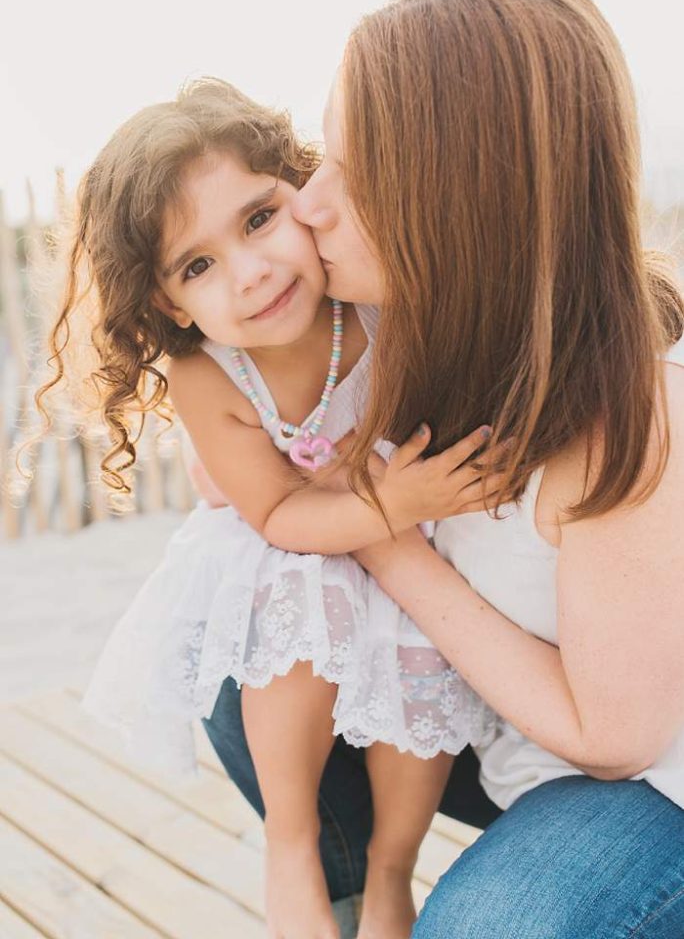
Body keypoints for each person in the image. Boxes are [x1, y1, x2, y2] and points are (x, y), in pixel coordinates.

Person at [203, 0, 684, 938]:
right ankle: (354, 898)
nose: (309, 205)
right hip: (522, 739)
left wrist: (391, 546)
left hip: (652, 774)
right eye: (319, 161)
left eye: (355, 173)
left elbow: (615, 737)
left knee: (487, 928)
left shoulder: (640, 409)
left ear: (462, 199)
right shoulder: (417, 328)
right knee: (251, 685)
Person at [36, 78, 506, 939]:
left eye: (259, 219)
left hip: (410, 565)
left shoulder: (375, 303)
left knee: (415, 683)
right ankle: (296, 851)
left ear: (305, 192)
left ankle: (391, 876)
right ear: (171, 304)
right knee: (293, 624)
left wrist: (402, 504)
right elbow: (280, 518)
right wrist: (389, 497)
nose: (250, 274)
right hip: (291, 558)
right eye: (199, 265)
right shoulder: (209, 374)